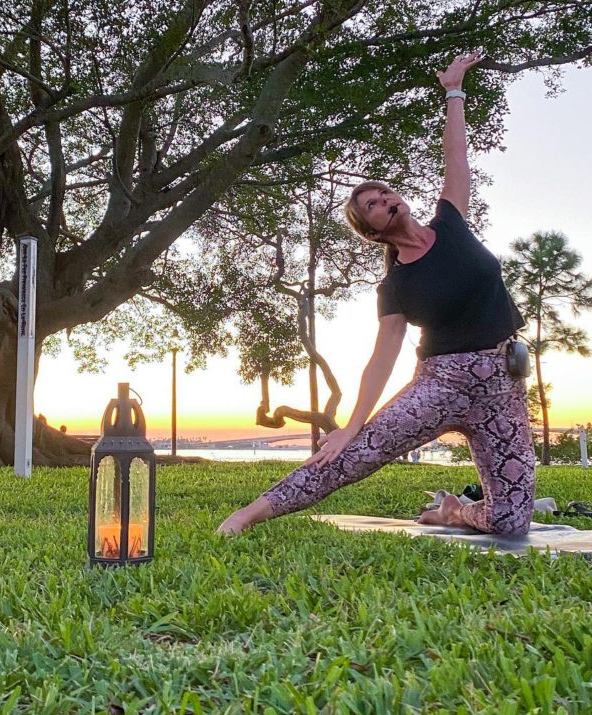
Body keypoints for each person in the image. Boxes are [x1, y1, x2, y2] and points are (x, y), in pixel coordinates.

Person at [218, 51, 534, 537]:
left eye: (385, 193)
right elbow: (379, 361)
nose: (386, 200)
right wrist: (350, 425)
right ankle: (248, 514)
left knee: (511, 523)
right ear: (372, 231)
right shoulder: (396, 286)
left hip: (503, 384)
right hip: (441, 385)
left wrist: (454, 89)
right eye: (373, 205)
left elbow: (457, 158)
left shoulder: (451, 224)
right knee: (354, 454)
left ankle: (453, 511)